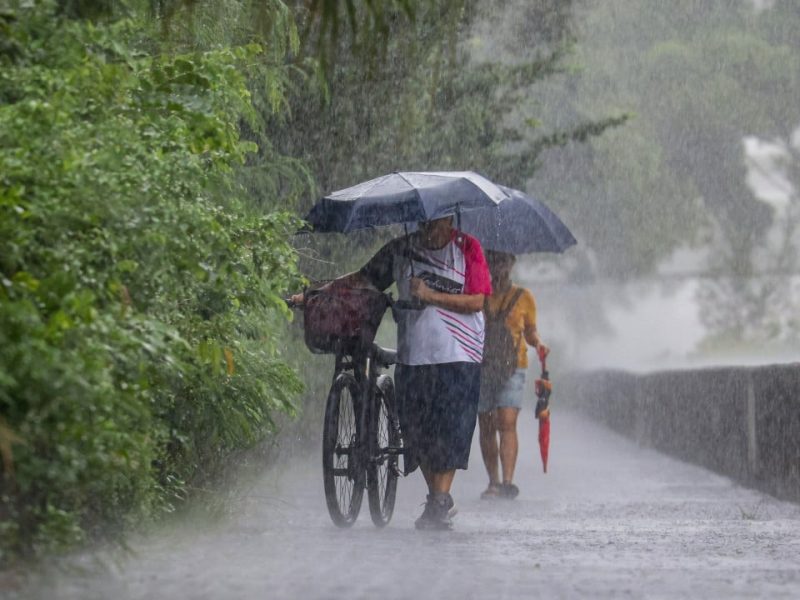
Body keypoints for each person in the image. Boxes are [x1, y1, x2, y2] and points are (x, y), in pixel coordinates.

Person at [292, 216, 491, 530]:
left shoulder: (468, 248)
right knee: (416, 429)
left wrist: (429, 296)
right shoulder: (401, 248)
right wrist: (317, 294)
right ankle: (437, 498)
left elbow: (478, 301)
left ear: (449, 219)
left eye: (436, 221)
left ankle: (439, 499)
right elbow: (363, 278)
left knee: (450, 430)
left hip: (460, 353)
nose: (429, 227)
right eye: (423, 221)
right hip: (415, 354)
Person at [477, 250, 548, 500]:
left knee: (506, 421)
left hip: (514, 365)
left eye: (503, 262)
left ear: (512, 263)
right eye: (493, 261)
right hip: (483, 365)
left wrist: (538, 343)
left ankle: (507, 481)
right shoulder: (478, 295)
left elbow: (530, 331)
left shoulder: (524, 297)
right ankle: (493, 481)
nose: (498, 268)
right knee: (486, 422)